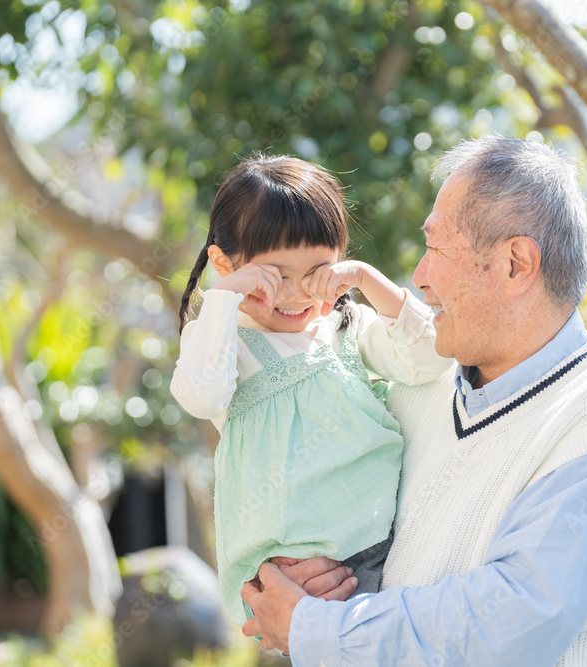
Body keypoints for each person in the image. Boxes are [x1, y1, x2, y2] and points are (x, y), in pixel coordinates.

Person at [240, 135, 587, 666]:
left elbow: (515, 623)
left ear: (517, 263)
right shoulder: (415, 387)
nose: (419, 279)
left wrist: (316, 626)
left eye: (435, 248)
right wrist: (306, 576)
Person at [170, 153, 453, 627]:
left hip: (385, 537)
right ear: (226, 264)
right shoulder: (228, 344)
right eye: (274, 275)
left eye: (317, 271)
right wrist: (223, 297)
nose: (298, 293)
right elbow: (200, 396)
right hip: (294, 567)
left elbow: (431, 357)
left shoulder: (344, 325)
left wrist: (365, 279)